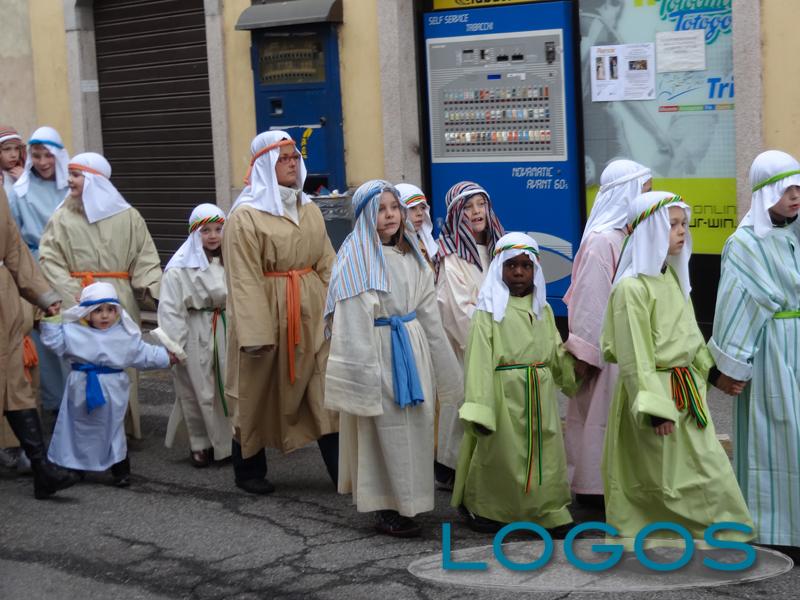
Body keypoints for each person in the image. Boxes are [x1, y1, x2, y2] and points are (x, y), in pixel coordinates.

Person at [600, 191, 753, 544]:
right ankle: (661, 535)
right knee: (659, 474)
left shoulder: (670, 276)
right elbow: (635, 356)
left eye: (684, 224)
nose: (682, 231)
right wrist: (655, 408)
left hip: (686, 393)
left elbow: (690, 336)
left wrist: (714, 374)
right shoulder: (631, 289)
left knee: (705, 467)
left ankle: (724, 533)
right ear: (650, 230)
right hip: (656, 395)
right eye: (672, 225)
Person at [324, 180, 462, 537]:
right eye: (381, 209)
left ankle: (411, 500)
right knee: (383, 430)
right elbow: (352, 323)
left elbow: (429, 313)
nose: (390, 215)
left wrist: (446, 371)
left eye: (394, 208)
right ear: (365, 216)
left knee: (415, 426)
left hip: (412, 349)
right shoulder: (357, 260)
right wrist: (361, 376)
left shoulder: (412, 255)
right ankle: (385, 506)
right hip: (379, 352)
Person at [223, 131, 338, 495]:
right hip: (269, 311)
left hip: (311, 311)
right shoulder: (245, 217)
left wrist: (337, 308)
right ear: (265, 165)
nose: (291, 163)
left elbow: (327, 261)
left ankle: (341, 470)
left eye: (294, 157)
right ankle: (248, 469)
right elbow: (243, 278)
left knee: (322, 388)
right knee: (256, 390)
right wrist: (255, 332)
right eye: (283, 158)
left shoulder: (309, 208)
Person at [452, 232, 578, 535]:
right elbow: (479, 361)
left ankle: (548, 509)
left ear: (536, 269)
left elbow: (553, 350)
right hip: (503, 395)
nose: (519, 272)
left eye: (526, 265)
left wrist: (573, 372)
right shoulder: (488, 311)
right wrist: (480, 408)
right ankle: (492, 509)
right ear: (500, 268)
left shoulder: (543, 310)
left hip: (539, 394)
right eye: (511, 265)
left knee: (544, 453)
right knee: (503, 454)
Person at [709, 150, 800, 549]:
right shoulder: (744, 243)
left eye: (798, 187)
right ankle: (776, 529)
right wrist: (729, 367)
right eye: (785, 188)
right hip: (771, 351)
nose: (795, 196)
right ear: (764, 192)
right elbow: (736, 305)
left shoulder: (795, 233)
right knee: (776, 434)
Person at [38, 152, 162, 441]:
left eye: (76, 175)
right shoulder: (61, 217)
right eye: (70, 174)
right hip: (80, 304)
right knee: (82, 365)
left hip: (118, 302)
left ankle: (123, 427)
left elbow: (144, 259)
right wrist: (74, 294)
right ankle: (85, 429)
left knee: (121, 361)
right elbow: (50, 258)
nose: (69, 180)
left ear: (94, 180)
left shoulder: (129, 217)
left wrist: (156, 294)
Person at [563, 159, 651, 508]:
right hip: (608, 352)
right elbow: (591, 301)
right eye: (643, 190)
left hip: (627, 347)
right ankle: (595, 494)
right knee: (599, 423)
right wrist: (587, 356)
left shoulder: (626, 237)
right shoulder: (603, 241)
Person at [41, 282, 174, 487]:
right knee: (78, 428)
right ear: (87, 313)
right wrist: (52, 319)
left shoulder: (124, 336)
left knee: (113, 429)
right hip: (81, 388)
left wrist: (166, 357)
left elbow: (143, 354)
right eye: (98, 310)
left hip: (113, 390)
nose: (105, 316)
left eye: (110, 310)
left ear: (117, 311)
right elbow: (54, 341)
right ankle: (75, 466)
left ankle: (120, 469)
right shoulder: (73, 332)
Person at [0, 187, 78, 499]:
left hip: (5, 305)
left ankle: (42, 469)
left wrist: (43, 295)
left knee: (15, 385)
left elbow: (14, 247)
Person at [434, 180, 505, 487]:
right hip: (470, 345)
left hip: (500, 341)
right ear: (456, 215)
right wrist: (489, 337)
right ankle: (452, 467)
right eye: (469, 207)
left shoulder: (498, 248)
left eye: (481, 204)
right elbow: (457, 309)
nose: (477, 211)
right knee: (465, 401)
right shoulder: (452, 258)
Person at [151, 203, 232, 467]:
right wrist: (175, 345)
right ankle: (200, 443)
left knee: (228, 388)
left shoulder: (233, 260)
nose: (213, 236)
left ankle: (229, 443)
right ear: (194, 234)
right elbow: (171, 308)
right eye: (205, 231)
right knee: (198, 390)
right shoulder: (179, 268)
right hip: (196, 330)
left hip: (227, 328)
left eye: (218, 229)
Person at [7, 126, 71, 417]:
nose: (43, 162)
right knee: (45, 335)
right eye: (37, 155)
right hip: (36, 267)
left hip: (70, 268)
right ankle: (55, 403)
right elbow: (13, 238)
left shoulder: (72, 187)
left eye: (48, 155)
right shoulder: (20, 192)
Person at [396, 183, 438, 268]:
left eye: (423, 208)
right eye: (412, 208)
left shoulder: (424, 242)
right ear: (399, 210)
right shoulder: (394, 248)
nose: (420, 213)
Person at [0, 125, 26, 198]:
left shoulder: (25, 173)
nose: (14, 155)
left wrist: (25, 180)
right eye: (7, 149)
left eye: (17, 148)